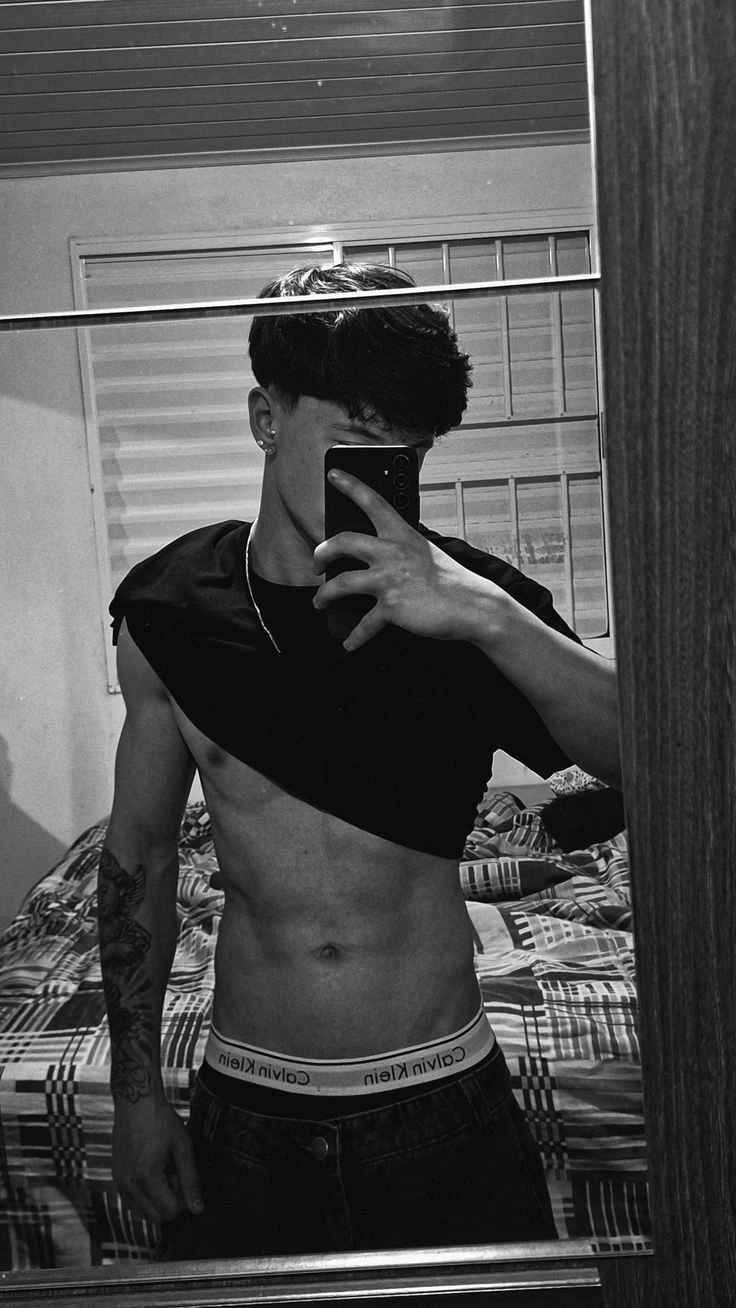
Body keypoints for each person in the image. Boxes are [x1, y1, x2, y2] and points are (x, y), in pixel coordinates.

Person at [99, 262, 620, 1259]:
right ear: (267, 417)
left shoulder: (470, 601)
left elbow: (653, 759)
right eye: (356, 437)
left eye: (403, 452)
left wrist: (489, 616)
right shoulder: (172, 610)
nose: (378, 473)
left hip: (441, 1096)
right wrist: (135, 1098)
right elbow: (141, 860)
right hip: (249, 1105)